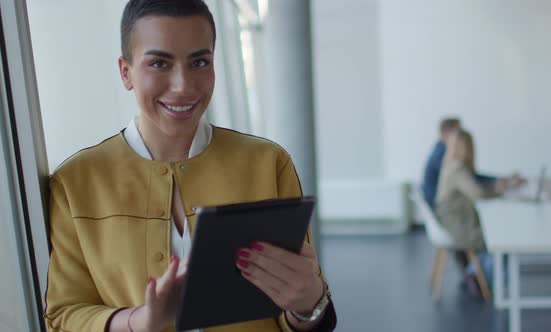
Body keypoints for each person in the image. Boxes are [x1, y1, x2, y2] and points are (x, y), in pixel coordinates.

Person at [44, 1, 336, 331]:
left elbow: (307, 315)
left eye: (199, 61)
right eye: (159, 63)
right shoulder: (75, 182)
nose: (183, 85)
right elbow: (62, 317)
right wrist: (140, 321)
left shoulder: (268, 163)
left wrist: (309, 302)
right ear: (126, 72)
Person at [435, 129, 522, 292]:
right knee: (500, 239)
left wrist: (501, 184)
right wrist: (501, 189)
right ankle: (476, 275)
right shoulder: (456, 168)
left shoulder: (457, 165)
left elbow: (478, 183)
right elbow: (478, 193)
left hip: (459, 219)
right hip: (458, 223)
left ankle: (476, 273)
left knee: (499, 235)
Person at [421, 118, 497, 210]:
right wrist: (498, 183)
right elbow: (467, 179)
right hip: (443, 207)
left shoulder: (442, 150)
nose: (462, 133)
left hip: (442, 204)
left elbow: (468, 177)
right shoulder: (444, 156)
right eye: (458, 130)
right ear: (448, 133)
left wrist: (496, 180)